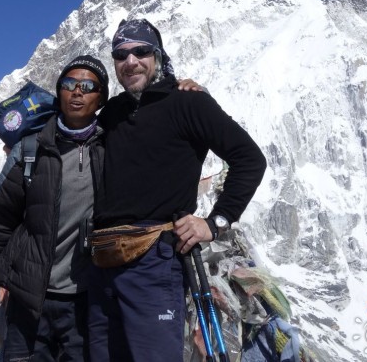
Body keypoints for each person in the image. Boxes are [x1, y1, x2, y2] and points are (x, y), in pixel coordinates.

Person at [88, 18, 268, 362]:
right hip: (102, 261)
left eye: (141, 51)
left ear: (157, 55)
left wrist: (214, 223)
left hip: (156, 258)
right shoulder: (112, 113)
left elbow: (249, 159)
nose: (131, 62)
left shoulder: (188, 102)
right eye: (121, 55)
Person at [0, 55, 109, 362]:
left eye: (88, 86)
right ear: (59, 92)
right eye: (69, 84)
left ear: (101, 98)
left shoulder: (111, 148)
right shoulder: (30, 149)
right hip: (30, 298)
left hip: (87, 299)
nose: (77, 92)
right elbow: (0, 220)